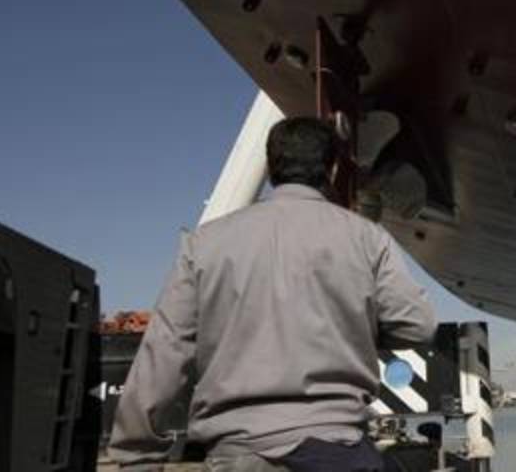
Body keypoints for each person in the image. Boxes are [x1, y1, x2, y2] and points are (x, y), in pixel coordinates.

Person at [109, 117, 436, 471]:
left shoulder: (203, 244)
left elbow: (165, 352)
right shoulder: (368, 239)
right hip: (339, 450)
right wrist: (356, 323)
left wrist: (138, 456)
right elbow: (418, 326)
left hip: (238, 454)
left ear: (269, 168)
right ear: (331, 167)